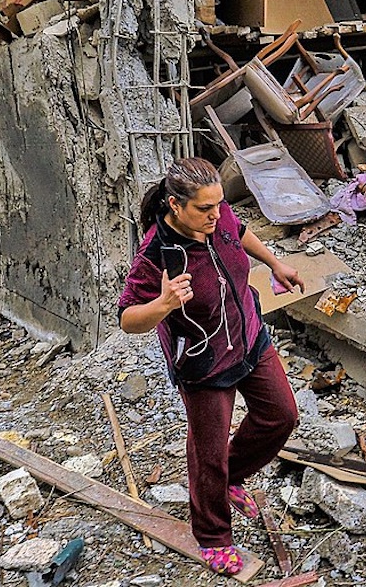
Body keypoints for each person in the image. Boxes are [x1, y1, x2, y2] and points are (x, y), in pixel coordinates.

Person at [118, 157, 304, 575]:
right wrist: (163, 304)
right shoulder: (157, 253)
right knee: (208, 451)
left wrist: (275, 263)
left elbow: (239, 232)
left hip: (248, 335)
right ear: (175, 205)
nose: (216, 215)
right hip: (203, 362)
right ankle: (213, 536)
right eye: (204, 209)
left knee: (281, 415)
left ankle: (229, 479)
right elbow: (129, 319)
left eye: (218, 205)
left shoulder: (217, 215)